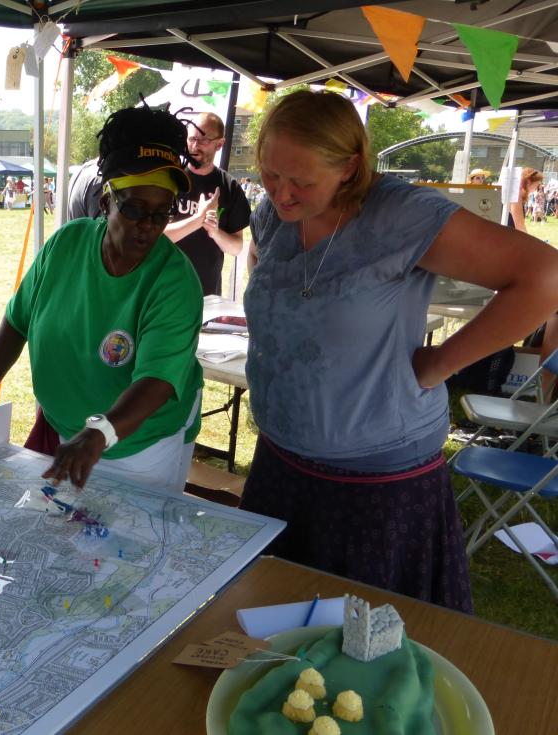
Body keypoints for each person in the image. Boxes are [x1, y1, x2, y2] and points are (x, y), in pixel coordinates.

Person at [240, 90, 558, 613]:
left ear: (350, 166)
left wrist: (442, 363)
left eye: (301, 181)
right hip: (281, 464)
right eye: (271, 175)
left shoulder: (400, 215)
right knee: (271, 634)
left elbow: (543, 278)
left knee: (362, 656)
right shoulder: (274, 214)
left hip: (376, 486)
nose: (282, 194)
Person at [0, 105, 204, 494]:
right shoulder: (66, 244)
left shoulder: (174, 281)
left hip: (139, 449)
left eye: (162, 212)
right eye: (135, 208)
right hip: (70, 433)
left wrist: (99, 433)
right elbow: (18, 320)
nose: (149, 225)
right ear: (106, 201)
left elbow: (156, 381)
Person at [163, 111, 250, 297]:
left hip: (206, 293)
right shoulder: (169, 179)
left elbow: (236, 247)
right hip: (163, 288)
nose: (194, 146)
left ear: (219, 144)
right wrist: (198, 219)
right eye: (191, 138)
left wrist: (215, 232)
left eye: (202, 141)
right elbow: (156, 236)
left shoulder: (230, 187)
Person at [509, 167, 543, 232]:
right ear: (528, 182)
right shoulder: (516, 198)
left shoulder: (517, 197)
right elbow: (520, 227)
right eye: (537, 184)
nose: (537, 188)